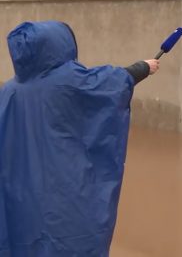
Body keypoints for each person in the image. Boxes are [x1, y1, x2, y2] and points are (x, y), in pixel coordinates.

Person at [0, 21, 160, 256]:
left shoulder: (9, 90)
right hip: (64, 200)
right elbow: (110, 84)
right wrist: (143, 67)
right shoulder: (68, 82)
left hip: (20, 197)